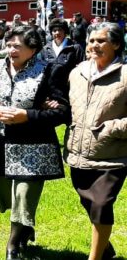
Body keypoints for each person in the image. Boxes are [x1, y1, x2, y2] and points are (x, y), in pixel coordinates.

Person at [0, 25, 69, 260]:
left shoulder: (48, 70)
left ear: (33, 49)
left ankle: (13, 244)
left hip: (33, 146)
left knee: (24, 195)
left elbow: (64, 111)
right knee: (7, 196)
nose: (11, 50)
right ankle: (25, 230)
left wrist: (28, 115)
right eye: (9, 44)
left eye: (17, 46)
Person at [66, 22, 127, 260]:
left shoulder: (125, 75)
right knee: (90, 206)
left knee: (101, 205)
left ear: (116, 44)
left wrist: (111, 128)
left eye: (100, 41)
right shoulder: (77, 72)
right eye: (91, 41)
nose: (94, 45)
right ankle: (105, 248)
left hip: (113, 155)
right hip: (79, 153)